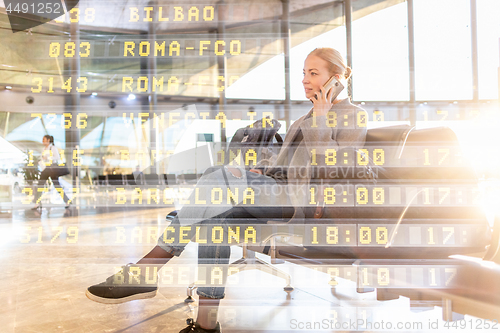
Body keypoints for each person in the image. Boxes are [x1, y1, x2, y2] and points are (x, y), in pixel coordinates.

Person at [86, 47, 368, 333]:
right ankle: (206, 325)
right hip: (276, 193)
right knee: (213, 222)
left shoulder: (353, 115)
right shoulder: (304, 117)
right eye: (303, 73)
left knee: (215, 176)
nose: (305, 80)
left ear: (336, 78)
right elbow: (287, 165)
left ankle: (145, 269)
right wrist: (261, 170)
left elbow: (333, 168)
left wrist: (321, 118)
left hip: (300, 206)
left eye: (313, 73)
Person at [31, 135, 72, 217]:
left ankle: (37, 202)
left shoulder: (52, 148)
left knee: (50, 185)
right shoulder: (44, 149)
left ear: (48, 140)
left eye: (44, 139)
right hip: (46, 169)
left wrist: (48, 157)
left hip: (52, 169)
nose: (43, 141)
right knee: (45, 184)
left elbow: (57, 157)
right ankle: (67, 201)